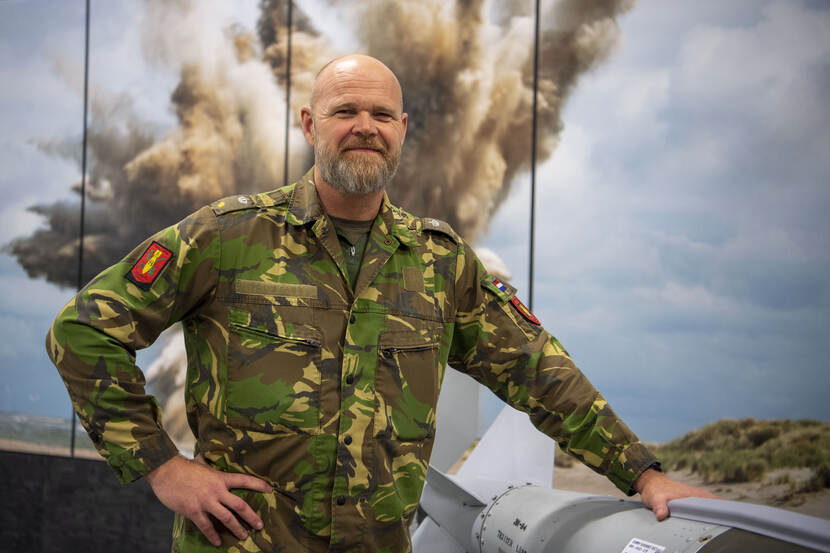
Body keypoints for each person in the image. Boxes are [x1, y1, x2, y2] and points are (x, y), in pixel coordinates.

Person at [47, 54, 715, 553]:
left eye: (381, 115)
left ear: (402, 129)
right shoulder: (227, 236)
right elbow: (82, 332)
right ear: (310, 124)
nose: (364, 127)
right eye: (345, 111)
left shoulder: (441, 262)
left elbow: (539, 371)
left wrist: (644, 474)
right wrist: (163, 466)